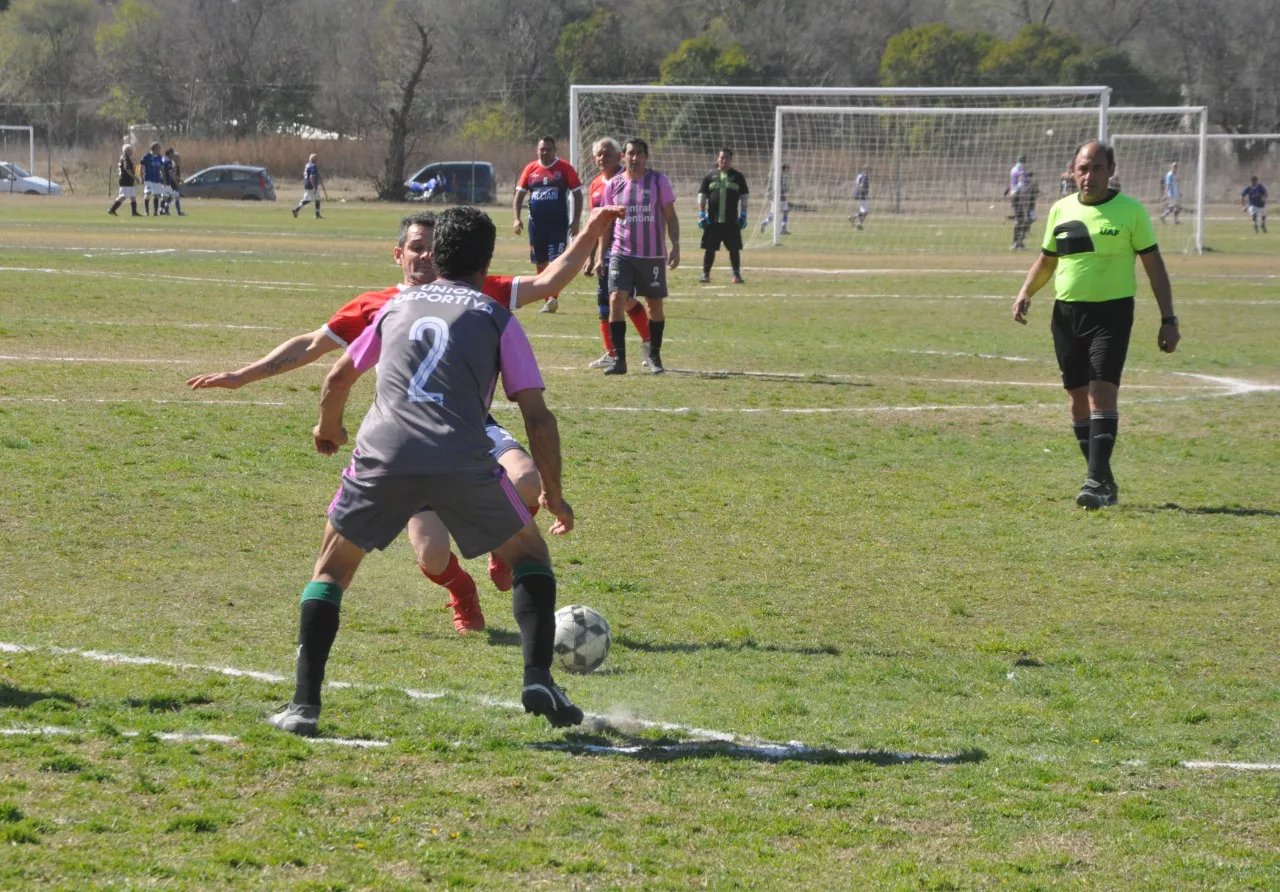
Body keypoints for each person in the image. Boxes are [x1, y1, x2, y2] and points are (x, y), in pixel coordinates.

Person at [188, 207, 623, 632]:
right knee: (432, 556)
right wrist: (240, 377)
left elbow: (549, 281)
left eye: (435, 248)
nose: (427, 256)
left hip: (471, 429)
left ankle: (503, 545)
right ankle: (461, 590)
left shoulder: (475, 289)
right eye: (417, 247)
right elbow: (312, 345)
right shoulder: (377, 306)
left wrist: (592, 229)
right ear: (398, 254)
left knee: (528, 480)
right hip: (406, 437)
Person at [266, 206, 583, 737]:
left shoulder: (393, 309)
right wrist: (554, 492)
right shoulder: (495, 316)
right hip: (459, 456)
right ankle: (536, 677)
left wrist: (328, 429)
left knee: (331, 571)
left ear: (436, 257)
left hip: (383, 455)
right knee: (530, 556)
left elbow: (338, 377)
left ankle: (303, 705)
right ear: (486, 263)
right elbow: (537, 416)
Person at [1012, 141, 1180, 510]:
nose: (1089, 176)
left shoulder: (1130, 211)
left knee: (1101, 392)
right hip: (1067, 315)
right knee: (1076, 399)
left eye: (1097, 168)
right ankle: (1104, 479)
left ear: (1111, 170)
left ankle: (1093, 481)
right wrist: (1026, 292)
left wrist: (1168, 319)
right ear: (1073, 171)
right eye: (1083, 169)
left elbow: (1154, 267)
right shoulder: (1060, 209)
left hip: (1112, 314)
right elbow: (1047, 259)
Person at [601, 137, 680, 375]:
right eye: (630, 153)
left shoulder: (658, 182)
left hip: (652, 255)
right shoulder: (613, 185)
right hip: (621, 253)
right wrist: (597, 256)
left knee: (654, 306)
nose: (634, 158)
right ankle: (620, 360)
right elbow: (605, 223)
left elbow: (671, 216)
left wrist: (675, 245)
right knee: (616, 299)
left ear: (646, 157)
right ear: (623, 157)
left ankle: (654, 355)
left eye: (639, 154)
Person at [582, 137, 652, 370]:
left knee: (622, 299)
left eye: (607, 154)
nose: (603, 158)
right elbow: (596, 223)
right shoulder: (594, 185)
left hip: (626, 250)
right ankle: (612, 353)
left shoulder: (629, 180)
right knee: (607, 301)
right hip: (605, 251)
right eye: (599, 154)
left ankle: (649, 343)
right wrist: (591, 256)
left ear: (619, 156)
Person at [513, 136, 583, 314]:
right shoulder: (530, 169)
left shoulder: (565, 168)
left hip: (558, 225)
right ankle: (547, 299)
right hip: (536, 225)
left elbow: (578, 195)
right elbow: (519, 195)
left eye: (549, 149)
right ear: (538, 150)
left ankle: (553, 298)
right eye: (542, 149)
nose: (545, 152)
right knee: (541, 262)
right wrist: (516, 218)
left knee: (555, 261)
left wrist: (575, 221)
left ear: (554, 150)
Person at [696, 147, 749, 284]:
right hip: (713, 221)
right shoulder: (709, 176)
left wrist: (743, 215)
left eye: (726, 157)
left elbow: (744, 197)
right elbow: (702, 196)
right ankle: (705, 274)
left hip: (732, 221)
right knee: (710, 248)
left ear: (731, 160)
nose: (724, 160)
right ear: (717, 159)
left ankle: (736, 275)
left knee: (734, 249)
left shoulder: (738, 177)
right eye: (721, 157)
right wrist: (701, 214)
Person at [107, 144, 141, 217]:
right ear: (128, 151)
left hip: (128, 180)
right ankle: (112, 209)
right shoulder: (126, 158)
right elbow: (127, 169)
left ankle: (134, 212)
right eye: (131, 150)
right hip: (125, 180)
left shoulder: (125, 158)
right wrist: (135, 177)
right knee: (123, 196)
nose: (132, 152)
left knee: (132, 196)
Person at [1011, 170, 1040, 250]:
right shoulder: (1023, 187)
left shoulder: (1028, 186)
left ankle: (1019, 242)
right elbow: (1015, 199)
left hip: (1027, 210)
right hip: (1021, 209)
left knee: (1026, 223)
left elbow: (1034, 195)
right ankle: (1016, 243)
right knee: (1020, 224)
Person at [758, 163, 790, 234]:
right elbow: (783, 188)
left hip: (773, 197)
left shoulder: (775, 176)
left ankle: (765, 222)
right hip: (781, 198)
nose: (788, 172)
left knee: (773, 213)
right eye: (787, 170)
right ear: (785, 170)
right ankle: (783, 229)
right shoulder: (783, 177)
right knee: (785, 212)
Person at [1004, 154, 1028, 249]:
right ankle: (1016, 243)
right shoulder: (1020, 170)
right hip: (1018, 196)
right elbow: (1020, 184)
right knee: (1020, 220)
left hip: (1014, 196)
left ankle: (1018, 242)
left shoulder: (1013, 169)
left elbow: (1013, 184)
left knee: (1021, 219)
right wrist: (1025, 194)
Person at [139, 142, 166, 217]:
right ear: (154, 148)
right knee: (147, 194)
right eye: (158, 148)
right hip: (149, 178)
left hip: (157, 179)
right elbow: (141, 166)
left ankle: (155, 212)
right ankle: (146, 211)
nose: (160, 150)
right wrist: (141, 177)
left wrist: (163, 178)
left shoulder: (159, 157)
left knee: (157, 195)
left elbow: (161, 168)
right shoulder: (147, 156)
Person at [292, 154, 322, 219]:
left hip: (307, 184)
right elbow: (311, 177)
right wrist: (314, 186)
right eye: (316, 159)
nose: (317, 160)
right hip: (311, 185)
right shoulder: (313, 166)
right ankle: (296, 209)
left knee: (317, 198)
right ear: (314, 159)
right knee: (308, 199)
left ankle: (317, 214)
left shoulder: (307, 164)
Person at [161, 148, 186, 217]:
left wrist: (180, 180)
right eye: (178, 158)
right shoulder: (175, 166)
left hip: (172, 183)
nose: (180, 159)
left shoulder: (174, 165)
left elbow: (174, 175)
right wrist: (177, 182)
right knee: (175, 197)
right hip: (172, 184)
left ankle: (166, 209)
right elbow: (173, 176)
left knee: (171, 197)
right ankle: (178, 212)